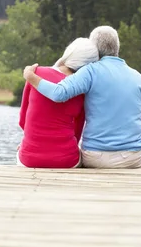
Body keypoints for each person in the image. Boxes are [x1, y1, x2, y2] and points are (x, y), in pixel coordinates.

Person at [23, 26, 141, 169]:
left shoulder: (89, 72)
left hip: (96, 157)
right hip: (132, 158)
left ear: (94, 50)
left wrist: (30, 76)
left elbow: (58, 93)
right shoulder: (138, 77)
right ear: (117, 47)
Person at [17, 38, 99, 168]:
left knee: (20, 151)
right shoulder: (82, 89)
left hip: (29, 158)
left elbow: (23, 120)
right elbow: (78, 131)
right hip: (67, 160)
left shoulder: (35, 73)